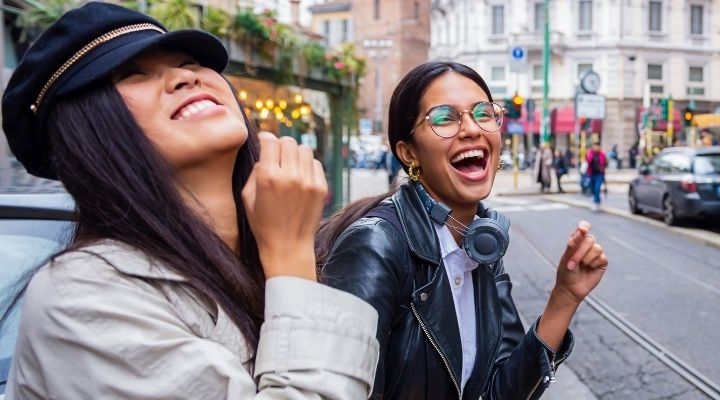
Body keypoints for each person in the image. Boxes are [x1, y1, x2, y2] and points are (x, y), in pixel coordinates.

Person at [0, 3, 379, 398]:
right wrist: (290, 254)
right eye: (133, 74)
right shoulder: (81, 293)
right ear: (89, 134)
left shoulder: (255, 262)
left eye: (188, 61)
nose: (184, 77)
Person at [314, 62, 609, 399]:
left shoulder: (482, 244)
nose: (472, 128)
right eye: (444, 118)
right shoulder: (376, 245)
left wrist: (564, 298)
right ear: (409, 153)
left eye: (483, 113)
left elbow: (501, 392)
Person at [586, 142, 607, 211]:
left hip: (599, 174)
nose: (596, 148)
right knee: (592, 189)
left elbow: (605, 163)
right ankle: (598, 200)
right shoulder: (590, 153)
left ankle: (596, 203)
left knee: (597, 188)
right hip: (591, 174)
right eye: (595, 146)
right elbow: (587, 161)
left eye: (598, 146)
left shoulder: (602, 155)